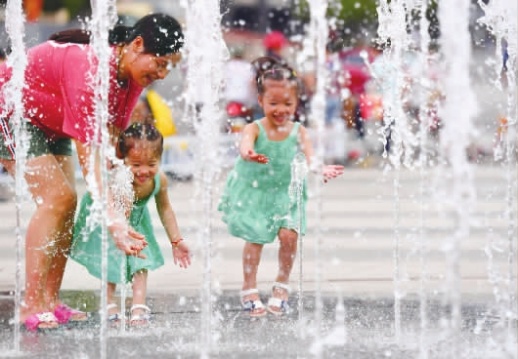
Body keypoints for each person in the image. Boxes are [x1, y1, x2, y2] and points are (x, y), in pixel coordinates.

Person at [0, 13, 184, 331]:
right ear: (137, 45)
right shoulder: (91, 69)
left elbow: (112, 137)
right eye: (161, 63)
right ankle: (29, 304)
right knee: (57, 198)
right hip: (14, 111)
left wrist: (121, 191)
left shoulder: (130, 80)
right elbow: (90, 160)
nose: (162, 74)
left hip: (50, 122)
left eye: (170, 68)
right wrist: (113, 220)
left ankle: (50, 301)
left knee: (67, 203)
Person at [218, 57, 344, 318]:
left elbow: (311, 157)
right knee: (255, 239)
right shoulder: (255, 127)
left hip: (286, 191)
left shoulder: (299, 131)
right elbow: (245, 143)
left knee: (289, 237)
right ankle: (249, 287)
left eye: (288, 103)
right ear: (261, 101)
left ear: (296, 103)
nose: (280, 109)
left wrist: (322, 168)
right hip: (256, 191)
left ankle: (282, 285)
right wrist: (248, 152)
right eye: (273, 103)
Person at [70, 123, 191, 327]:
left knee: (141, 263)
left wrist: (176, 240)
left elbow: (166, 209)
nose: (144, 171)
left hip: (137, 223)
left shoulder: (159, 180)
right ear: (123, 160)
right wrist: (123, 232)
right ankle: (108, 301)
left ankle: (138, 306)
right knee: (112, 260)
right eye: (136, 165)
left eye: (151, 164)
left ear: (160, 159)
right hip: (113, 221)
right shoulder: (120, 178)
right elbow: (120, 211)